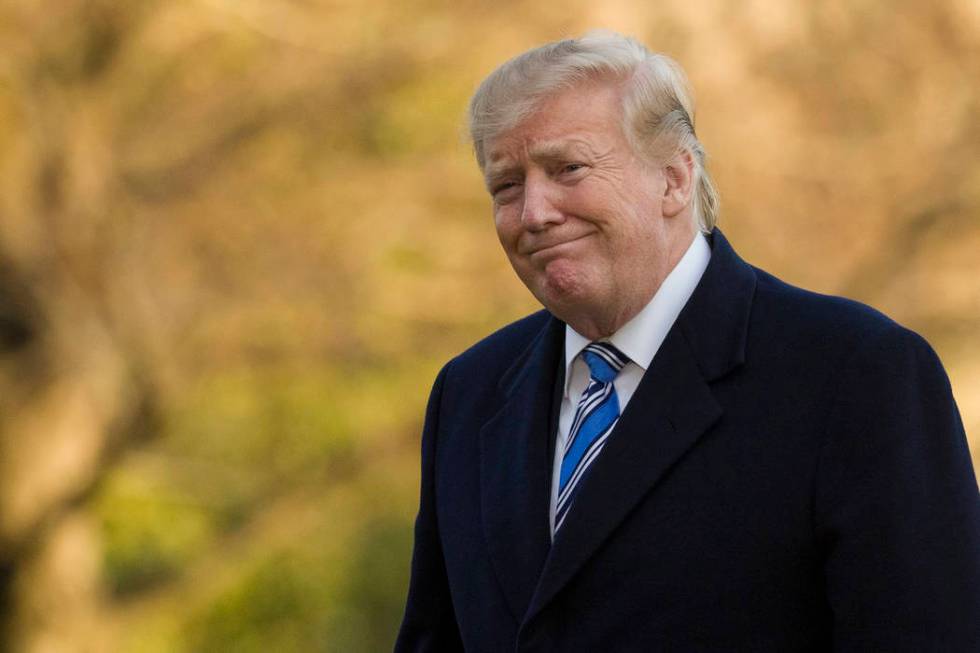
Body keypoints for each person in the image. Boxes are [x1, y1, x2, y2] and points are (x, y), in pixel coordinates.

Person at [395, 32, 980, 652]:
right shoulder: (470, 393)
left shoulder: (854, 374)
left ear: (675, 179)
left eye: (568, 169)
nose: (534, 212)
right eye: (506, 187)